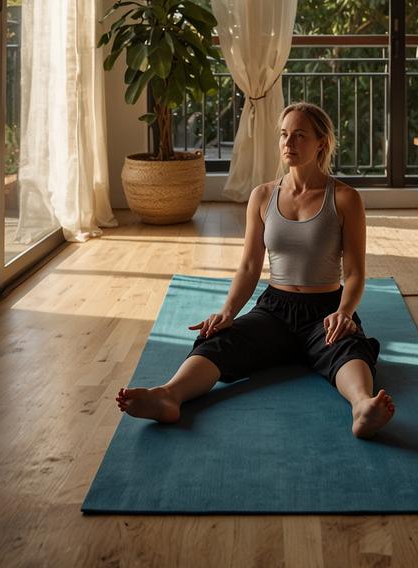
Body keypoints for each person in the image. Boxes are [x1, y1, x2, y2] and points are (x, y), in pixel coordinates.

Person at [116, 101, 395, 438]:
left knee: (348, 346)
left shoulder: (345, 199)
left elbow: (354, 273)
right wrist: (228, 311)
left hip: (325, 309)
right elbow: (249, 266)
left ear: (321, 143)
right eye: (283, 135)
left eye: (299, 136)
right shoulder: (262, 196)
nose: (288, 144)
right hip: (275, 308)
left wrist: (345, 312)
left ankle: (362, 407)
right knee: (219, 338)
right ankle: (169, 395)